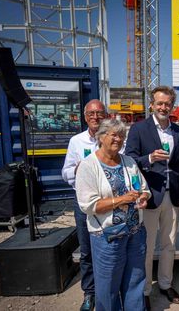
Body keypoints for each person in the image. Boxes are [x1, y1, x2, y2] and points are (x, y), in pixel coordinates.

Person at [75, 119, 151, 311]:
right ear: (101, 137)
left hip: (135, 233)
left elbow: (144, 189)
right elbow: (89, 205)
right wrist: (122, 199)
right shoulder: (88, 166)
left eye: (121, 136)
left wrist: (142, 198)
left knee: (135, 281)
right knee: (108, 286)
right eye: (114, 135)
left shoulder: (129, 161)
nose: (119, 139)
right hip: (108, 236)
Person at [125, 86, 179, 307]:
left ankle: (165, 284)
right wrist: (149, 158)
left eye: (167, 104)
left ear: (172, 106)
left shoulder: (178, 131)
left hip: (173, 195)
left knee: (169, 243)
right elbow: (130, 160)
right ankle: (145, 290)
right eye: (159, 103)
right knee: (148, 246)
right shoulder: (139, 129)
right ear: (151, 104)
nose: (163, 107)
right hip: (150, 195)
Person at [61, 99, 106, 311]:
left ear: (105, 115)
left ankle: (109, 290)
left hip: (109, 203)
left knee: (108, 248)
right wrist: (78, 170)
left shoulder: (113, 138)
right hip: (84, 204)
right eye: (91, 114)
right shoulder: (76, 141)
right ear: (85, 116)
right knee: (87, 250)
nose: (95, 117)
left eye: (99, 113)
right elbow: (65, 172)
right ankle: (90, 292)